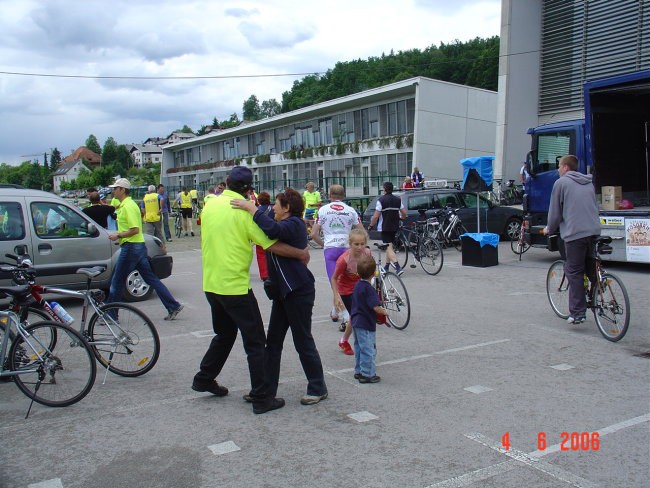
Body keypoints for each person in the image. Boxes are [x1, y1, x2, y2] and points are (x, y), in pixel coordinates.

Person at [191, 166, 309, 414]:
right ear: (249, 190)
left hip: (211, 284)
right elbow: (271, 244)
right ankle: (262, 398)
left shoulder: (210, 203)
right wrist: (301, 253)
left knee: (224, 335)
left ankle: (204, 378)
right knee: (256, 342)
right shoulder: (242, 212)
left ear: (226, 182)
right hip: (235, 287)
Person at [231, 188, 328, 406]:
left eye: (277, 204)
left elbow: (272, 230)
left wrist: (251, 207)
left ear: (287, 208)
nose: (273, 207)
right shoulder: (280, 220)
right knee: (273, 343)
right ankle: (265, 391)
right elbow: (264, 226)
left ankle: (318, 387)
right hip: (284, 292)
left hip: (299, 290)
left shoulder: (294, 223)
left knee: (302, 340)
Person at [106, 178, 184, 321]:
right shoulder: (125, 204)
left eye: (115, 189)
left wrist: (118, 234)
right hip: (137, 247)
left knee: (116, 282)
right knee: (151, 279)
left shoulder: (128, 206)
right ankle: (173, 305)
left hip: (131, 247)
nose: (113, 191)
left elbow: (135, 229)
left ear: (123, 190)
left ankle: (111, 314)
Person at [543, 155, 600, 324]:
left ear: (566, 167)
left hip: (575, 234)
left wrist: (549, 228)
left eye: (559, 166)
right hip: (593, 231)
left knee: (574, 271)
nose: (558, 170)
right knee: (590, 267)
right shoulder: (589, 183)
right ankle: (600, 290)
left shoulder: (561, 183)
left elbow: (555, 213)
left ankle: (577, 313)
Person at [310, 184, 363, 323]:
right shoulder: (351, 210)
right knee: (345, 282)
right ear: (344, 195)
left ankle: (346, 316)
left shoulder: (323, 210)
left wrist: (324, 244)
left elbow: (313, 233)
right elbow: (362, 232)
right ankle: (335, 310)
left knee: (335, 283)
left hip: (331, 249)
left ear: (329, 195)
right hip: (347, 249)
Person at [331, 228, 372, 356]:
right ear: (350, 243)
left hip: (359, 288)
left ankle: (343, 341)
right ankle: (359, 343)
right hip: (346, 290)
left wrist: (370, 290)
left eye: (362, 244)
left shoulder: (367, 253)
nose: (360, 247)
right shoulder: (344, 260)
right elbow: (334, 278)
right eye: (356, 244)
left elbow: (369, 272)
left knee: (356, 316)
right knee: (357, 316)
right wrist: (336, 296)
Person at [351, 255, 387, 383]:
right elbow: (376, 307)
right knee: (368, 348)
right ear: (373, 273)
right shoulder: (369, 289)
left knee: (359, 347)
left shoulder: (357, 285)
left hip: (355, 321)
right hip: (365, 323)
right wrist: (385, 311)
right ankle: (367, 374)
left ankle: (359, 371)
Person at [369, 181, 407, 275]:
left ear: (384, 189)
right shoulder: (398, 200)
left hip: (385, 227)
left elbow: (375, 216)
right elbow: (404, 213)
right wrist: (401, 217)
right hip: (395, 227)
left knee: (388, 248)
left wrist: (371, 225)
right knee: (389, 246)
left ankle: (398, 267)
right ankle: (386, 267)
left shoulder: (381, 200)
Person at [254, 192, 273, 280]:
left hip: (259, 235)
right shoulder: (272, 209)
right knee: (271, 255)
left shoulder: (256, 209)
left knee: (261, 255)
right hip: (270, 234)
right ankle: (271, 273)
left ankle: (264, 275)